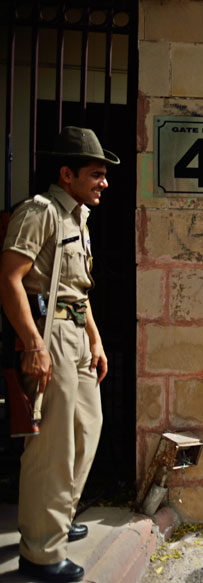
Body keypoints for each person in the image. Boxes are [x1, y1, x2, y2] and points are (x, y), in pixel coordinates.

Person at [0, 127, 116, 582]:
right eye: (95, 174)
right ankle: (41, 552)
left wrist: (97, 339)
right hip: (49, 337)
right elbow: (10, 278)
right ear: (66, 174)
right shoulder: (41, 212)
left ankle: (58, 519)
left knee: (88, 429)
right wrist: (33, 345)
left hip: (77, 335)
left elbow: (75, 291)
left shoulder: (78, 219)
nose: (103, 183)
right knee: (52, 446)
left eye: (104, 175)